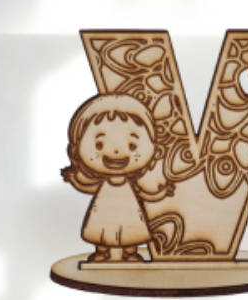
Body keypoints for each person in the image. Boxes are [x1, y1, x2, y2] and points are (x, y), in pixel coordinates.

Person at [62, 94, 174, 262]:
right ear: (77, 150)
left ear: (155, 149)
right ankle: (102, 252)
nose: (116, 152)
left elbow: (144, 194)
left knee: (130, 233)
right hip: (103, 211)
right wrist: (74, 179)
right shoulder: (104, 184)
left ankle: (130, 253)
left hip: (129, 212)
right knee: (102, 232)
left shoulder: (131, 186)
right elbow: (88, 186)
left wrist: (161, 193)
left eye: (132, 145)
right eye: (99, 145)